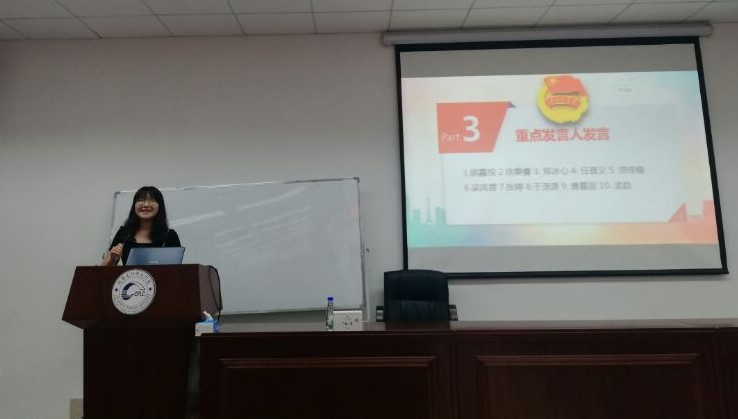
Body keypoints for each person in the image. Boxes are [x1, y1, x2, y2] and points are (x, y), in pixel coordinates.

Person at [102, 186, 181, 266]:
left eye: (151, 200)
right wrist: (113, 261)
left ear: (159, 206)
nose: (146, 204)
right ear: (134, 205)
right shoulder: (124, 233)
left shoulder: (170, 235)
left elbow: (178, 271)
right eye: (141, 200)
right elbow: (103, 269)